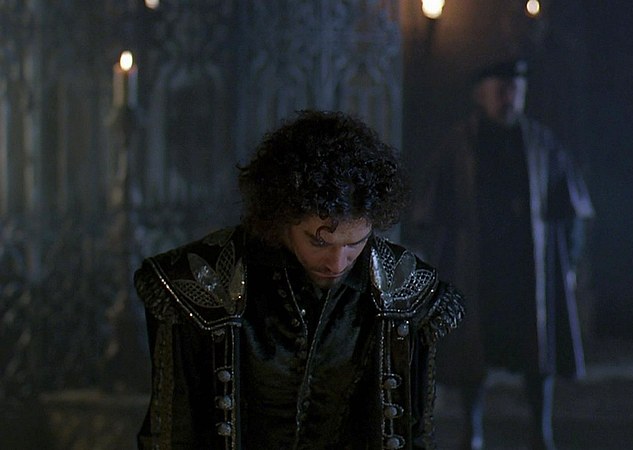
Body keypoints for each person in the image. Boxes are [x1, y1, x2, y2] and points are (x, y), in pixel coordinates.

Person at [134, 110, 465, 449]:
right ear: (282, 218)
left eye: (355, 244)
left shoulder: (405, 292)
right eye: (319, 242)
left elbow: (414, 434)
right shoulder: (203, 280)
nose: (337, 262)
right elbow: (172, 432)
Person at [406, 59, 594, 450]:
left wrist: (571, 261)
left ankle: (540, 431)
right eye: (501, 91)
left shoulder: (541, 143)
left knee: (538, 350)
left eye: (515, 91)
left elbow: (571, 209)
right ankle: (471, 430)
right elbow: (431, 212)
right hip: (477, 265)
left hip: (530, 266)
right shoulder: (459, 145)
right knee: (471, 349)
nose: (509, 98)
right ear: (482, 96)